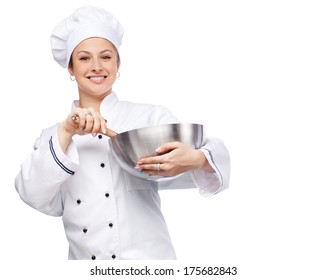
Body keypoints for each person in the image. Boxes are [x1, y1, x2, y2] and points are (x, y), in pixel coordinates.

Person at [15, 6, 230, 260]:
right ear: (70, 69)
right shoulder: (54, 136)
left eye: (105, 57)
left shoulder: (149, 118)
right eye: (84, 58)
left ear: (118, 64)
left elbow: (210, 152)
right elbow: (31, 193)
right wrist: (67, 130)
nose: (96, 66)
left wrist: (197, 159)